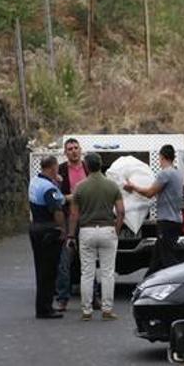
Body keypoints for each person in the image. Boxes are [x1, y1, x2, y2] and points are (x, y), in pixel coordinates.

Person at [68, 153, 125, 321]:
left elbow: (74, 215)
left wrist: (71, 235)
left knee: (87, 272)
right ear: (101, 165)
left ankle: (87, 311)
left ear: (86, 165)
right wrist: (116, 228)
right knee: (108, 272)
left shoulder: (80, 187)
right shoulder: (112, 186)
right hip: (107, 229)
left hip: (87, 230)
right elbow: (121, 211)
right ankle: (107, 310)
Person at [124, 144, 184, 275]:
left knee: (167, 258)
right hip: (175, 220)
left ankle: (182, 281)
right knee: (156, 259)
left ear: (161, 157)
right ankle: (146, 284)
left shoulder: (165, 174)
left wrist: (133, 187)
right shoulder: (177, 173)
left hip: (166, 221)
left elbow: (150, 193)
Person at [28, 156, 67, 319]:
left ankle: (43, 306)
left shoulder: (35, 181)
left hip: (36, 227)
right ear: (52, 168)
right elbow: (57, 209)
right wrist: (63, 229)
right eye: (56, 167)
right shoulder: (48, 188)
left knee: (41, 269)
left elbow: (60, 199)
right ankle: (45, 308)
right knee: (49, 271)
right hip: (48, 230)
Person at [55, 138, 88, 312]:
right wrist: (72, 197)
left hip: (88, 218)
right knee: (65, 260)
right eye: (70, 149)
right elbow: (56, 196)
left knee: (88, 260)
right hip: (69, 219)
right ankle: (62, 299)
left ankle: (94, 297)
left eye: (76, 148)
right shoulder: (60, 171)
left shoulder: (88, 168)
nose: (74, 151)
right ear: (65, 153)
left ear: (81, 150)